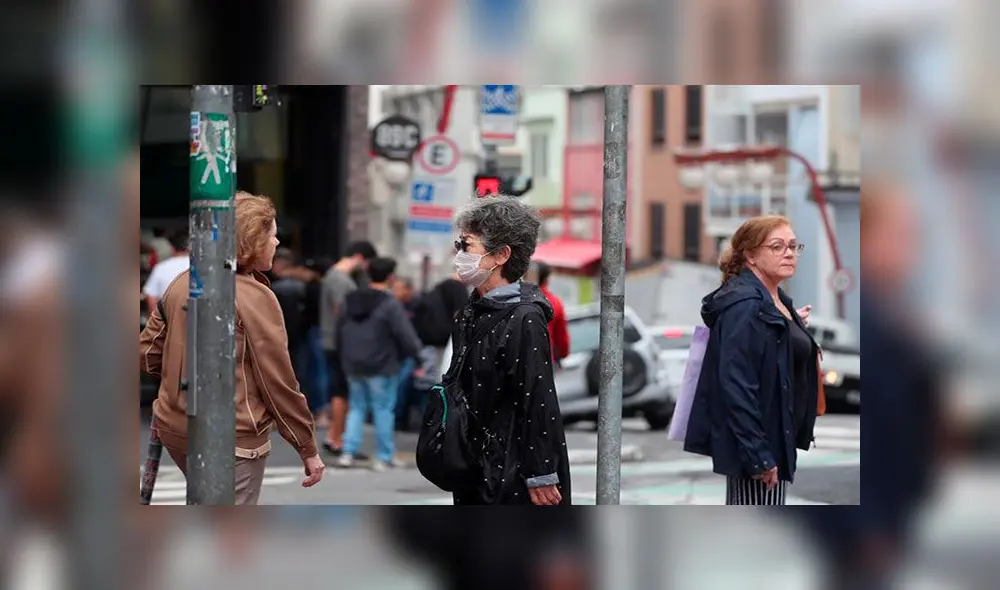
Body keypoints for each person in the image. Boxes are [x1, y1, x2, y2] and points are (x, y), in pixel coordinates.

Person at [140, 192, 325, 504]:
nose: (277, 242)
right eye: (272, 235)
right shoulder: (255, 297)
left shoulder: (183, 282)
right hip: (234, 436)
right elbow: (277, 381)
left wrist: (179, 380)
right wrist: (306, 446)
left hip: (177, 426)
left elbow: (148, 353)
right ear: (252, 240)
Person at [683, 215, 818, 505]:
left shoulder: (775, 301)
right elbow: (736, 384)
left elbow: (770, 350)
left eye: (793, 246)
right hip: (760, 448)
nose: (789, 253)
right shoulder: (746, 306)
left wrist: (792, 326)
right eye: (777, 246)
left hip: (776, 438)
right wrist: (759, 456)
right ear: (751, 256)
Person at [445, 195, 571, 505]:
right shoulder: (472, 310)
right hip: (475, 465)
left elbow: (538, 396)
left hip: (510, 470)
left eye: (466, 246)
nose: (459, 255)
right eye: (458, 245)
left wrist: (541, 473)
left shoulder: (525, 317)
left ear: (501, 255)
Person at [336, 257, 422, 470]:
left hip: (353, 362)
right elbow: (405, 334)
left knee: (356, 407)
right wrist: (417, 357)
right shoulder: (389, 303)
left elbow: (339, 329)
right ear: (390, 277)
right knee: (383, 409)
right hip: (382, 363)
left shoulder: (350, 299)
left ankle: (348, 452)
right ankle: (385, 455)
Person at [319, 240, 377, 457]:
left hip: (333, 339)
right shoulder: (340, 279)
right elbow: (343, 310)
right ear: (360, 257)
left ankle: (335, 437)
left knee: (340, 390)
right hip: (340, 342)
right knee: (342, 391)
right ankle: (336, 439)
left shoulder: (335, 276)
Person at [141, 231, 189, 315]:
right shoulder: (197, 266)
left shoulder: (161, 267)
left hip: (168, 317)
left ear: (172, 249)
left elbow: (150, 296)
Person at [535, 262, 571, 366]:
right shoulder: (554, 302)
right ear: (547, 279)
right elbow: (561, 339)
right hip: (545, 361)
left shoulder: (516, 299)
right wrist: (562, 354)